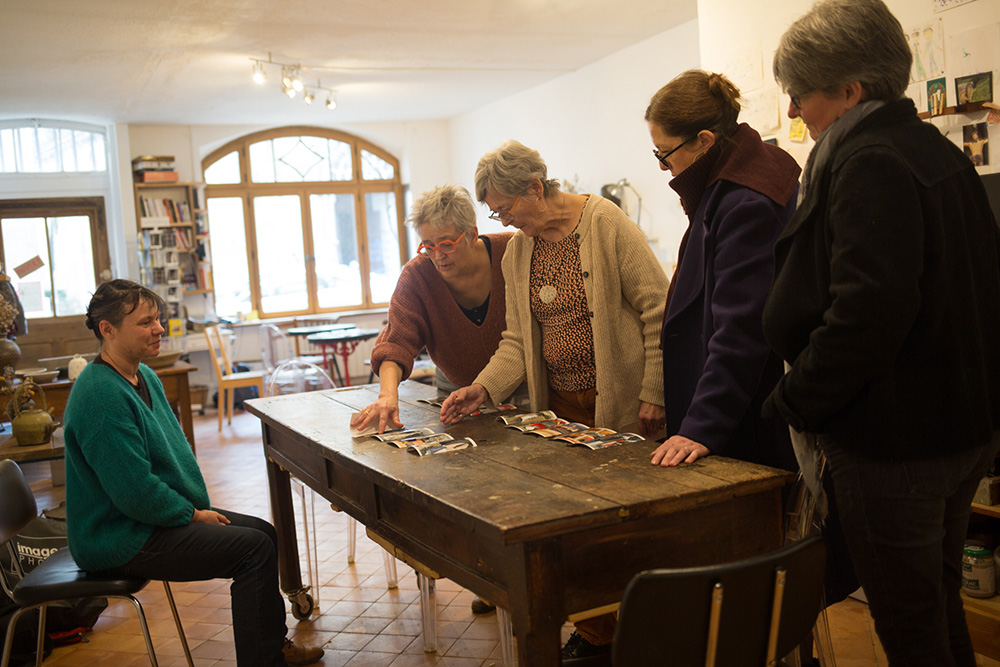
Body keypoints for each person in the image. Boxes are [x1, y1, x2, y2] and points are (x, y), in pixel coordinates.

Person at [763, 1, 1000, 666]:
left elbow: (868, 312)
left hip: (899, 444)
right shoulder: (934, 149)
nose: (792, 113)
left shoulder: (868, 159)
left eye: (799, 94)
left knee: (910, 621)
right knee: (935, 602)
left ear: (849, 90)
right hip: (957, 430)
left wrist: (795, 397)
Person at [440, 140, 669, 661]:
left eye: (504, 208)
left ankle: (643, 634)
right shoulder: (520, 251)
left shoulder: (604, 222)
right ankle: (597, 637)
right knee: (575, 534)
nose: (502, 220)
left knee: (625, 533)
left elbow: (659, 308)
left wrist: (654, 390)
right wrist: (483, 387)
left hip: (623, 405)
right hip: (561, 411)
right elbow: (518, 341)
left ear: (535, 189)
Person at [63, 280, 325, 667]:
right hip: (118, 536)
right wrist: (192, 516)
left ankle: (272, 648)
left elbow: (173, 460)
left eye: (158, 319)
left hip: (146, 520)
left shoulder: (144, 376)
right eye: (145, 322)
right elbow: (134, 492)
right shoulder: (99, 394)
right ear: (107, 329)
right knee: (252, 550)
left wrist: (192, 511)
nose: (159, 329)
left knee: (263, 533)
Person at [350, 184, 513, 615]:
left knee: (520, 484)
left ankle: (519, 580)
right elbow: (397, 339)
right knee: (474, 486)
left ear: (473, 233)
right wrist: (388, 396)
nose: (437, 254)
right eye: (427, 244)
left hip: (525, 384)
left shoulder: (514, 252)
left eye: (447, 243)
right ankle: (491, 580)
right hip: (457, 388)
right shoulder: (418, 275)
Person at [644, 69, 800, 473]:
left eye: (664, 154)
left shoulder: (745, 202)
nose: (663, 167)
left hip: (742, 420)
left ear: (704, 142)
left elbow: (741, 329)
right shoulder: (731, 181)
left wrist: (701, 426)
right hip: (735, 407)